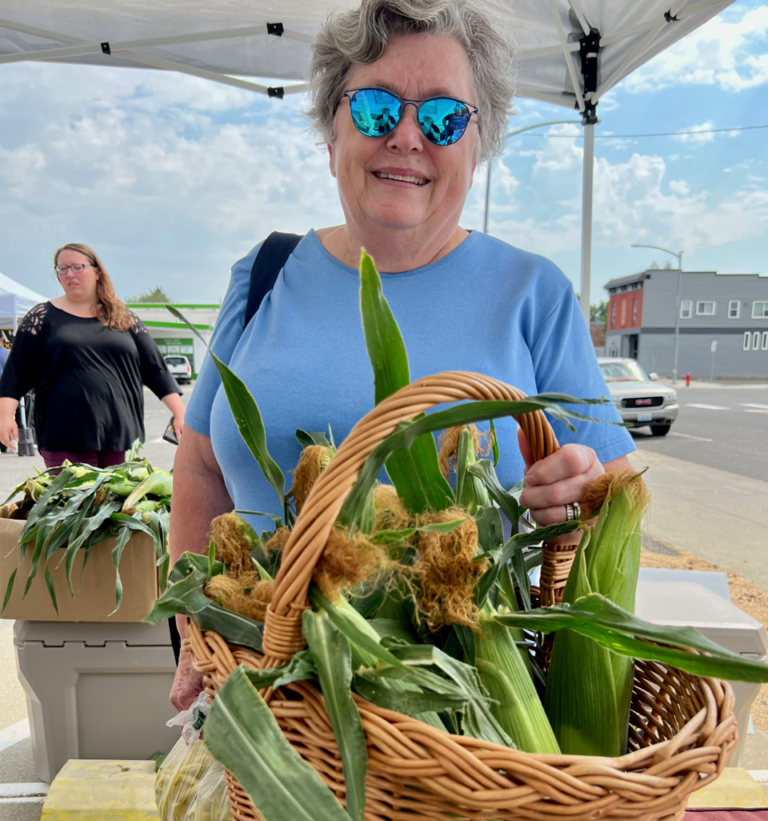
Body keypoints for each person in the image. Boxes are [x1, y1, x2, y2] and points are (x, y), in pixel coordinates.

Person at [168, 0, 637, 711]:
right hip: (260, 704)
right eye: (377, 110)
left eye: (445, 116)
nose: (409, 136)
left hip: (464, 726)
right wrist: (190, 628)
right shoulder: (263, 274)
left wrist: (575, 507)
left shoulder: (533, 293)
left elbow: (616, 497)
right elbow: (200, 465)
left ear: (476, 148)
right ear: (332, 132)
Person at [0, 243, 185, 469]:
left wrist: (180, 413)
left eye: (78, 267)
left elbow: (155, 369)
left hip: (120, 433)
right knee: (74, 502)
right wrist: (5, 416)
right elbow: (16, 372)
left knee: (118, 504)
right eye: (62, 269)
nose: (70, 274)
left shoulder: (124, 318)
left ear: (97, 272)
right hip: (64, 434)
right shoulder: (42, 317)